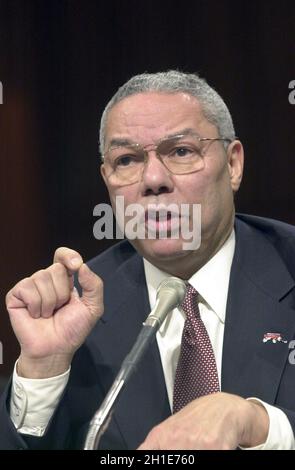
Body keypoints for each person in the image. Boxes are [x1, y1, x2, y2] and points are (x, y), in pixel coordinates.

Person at [1, 70, 295, 450]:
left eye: (181, 151)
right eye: (127, 159)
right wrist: (43, 370)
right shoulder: (72, 313)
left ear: (233, 164)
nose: (153, 179)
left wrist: (258, 425)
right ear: (107, 180)